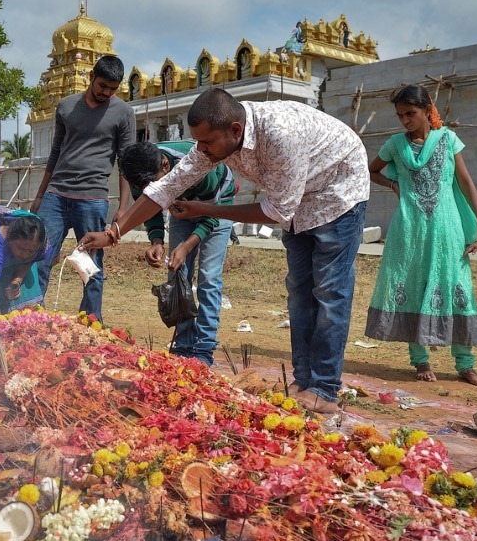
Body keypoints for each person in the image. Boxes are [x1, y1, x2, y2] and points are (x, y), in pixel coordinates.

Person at [81, 88, 370, 414]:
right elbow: (166, 187)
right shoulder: (215, 140)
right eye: (198, 143)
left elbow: (275, 211)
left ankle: (325, 388)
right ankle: (304, 381)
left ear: (235, 130)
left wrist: (205, 209)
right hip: (296, 202)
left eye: (206, 144)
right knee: (300, 291)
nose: (200, 151)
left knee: (330, 291)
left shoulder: (280, 136)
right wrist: (114, 232)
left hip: (338, 191)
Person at [365, 84, 477, 387]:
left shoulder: (448, 139)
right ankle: (420, 360)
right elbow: (371, 170)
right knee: (414, 285)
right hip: (409, 229)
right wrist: (394, 185)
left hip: (447, 229)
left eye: (410, 113)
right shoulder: (396, 145)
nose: (405, 120)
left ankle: (465, 364)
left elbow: (465, 184)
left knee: (457, 288)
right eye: (400, 115)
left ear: (427, 110)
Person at [32, 55, 136, 322]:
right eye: (102, 86)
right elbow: (55, 153)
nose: (107, 93)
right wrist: (40, 196)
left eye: (113, 89)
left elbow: (126, 162)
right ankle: (31, 319)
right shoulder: (66, 107)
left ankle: (91, 322)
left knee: (91, 266)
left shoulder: (124, 113)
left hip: (93, 198)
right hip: (56, 195)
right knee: (39, 257)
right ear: (91, 76)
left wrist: (123, 208)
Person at [119, 140, 236, 366]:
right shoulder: (140, 174)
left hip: (219, 205)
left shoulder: (198, 165)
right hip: (181, 208)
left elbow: (211, 215)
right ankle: (182, 345)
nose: (148, 190)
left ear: (165, 165)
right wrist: (156, 240)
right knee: (176, 275)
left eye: (154, 185)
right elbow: (148, 207)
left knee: (209, 279)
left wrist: (185, 247)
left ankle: (203, 350)